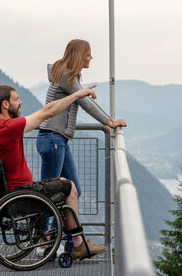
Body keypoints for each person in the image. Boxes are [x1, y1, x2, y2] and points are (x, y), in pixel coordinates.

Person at [0, 84, 106, 260]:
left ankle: (46, 236)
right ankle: (78, 244)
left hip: (8, 195)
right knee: (69, 186)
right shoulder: (9, 127)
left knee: (57, 181)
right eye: (16, 99)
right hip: (22, 196)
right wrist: (77, 94)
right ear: (5, 105)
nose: (20, 102)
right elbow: (47, 111)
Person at [37, 39, 126, 201]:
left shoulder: (69, 76)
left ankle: (60, 226)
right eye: (88, 54)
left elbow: (88, 101)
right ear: (79, 56)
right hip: (52, 139)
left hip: (58, 139)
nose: (91, 57)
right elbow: (86, 104)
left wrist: (109, 120)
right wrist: (110, 122)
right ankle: (43, 227)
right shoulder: (66, 76)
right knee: (47, 194)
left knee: (74, 190)